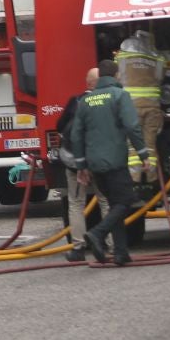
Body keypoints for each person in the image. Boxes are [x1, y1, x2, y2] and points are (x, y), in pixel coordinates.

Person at [71, 59, 151, 265]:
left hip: (95, 164)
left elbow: (76, 135)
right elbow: (132, 126)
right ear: (116, 76)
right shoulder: (119, 95)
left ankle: (121, 253)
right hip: (115, 161)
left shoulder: (86, 101)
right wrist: (144, 154)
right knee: (126, 201)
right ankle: (98, 232)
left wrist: (81, 165)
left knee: (115, 203)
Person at [57, 66, 113, 262]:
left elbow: (60, 126)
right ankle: (111, 245)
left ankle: (78, 248)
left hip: (75, 162)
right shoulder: (109, 100)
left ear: (87, 83)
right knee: (106, 201)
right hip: (99, 160)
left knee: (76, 204)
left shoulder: (76, 101)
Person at [115, 27, 167, 181]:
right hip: (153, 108)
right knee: (150, 143)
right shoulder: (158, 58)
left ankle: (135, 179)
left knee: (132, 145)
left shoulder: (121, 57)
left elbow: (117, 77)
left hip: (131, 108)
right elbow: (159, 78)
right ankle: (151, 177)